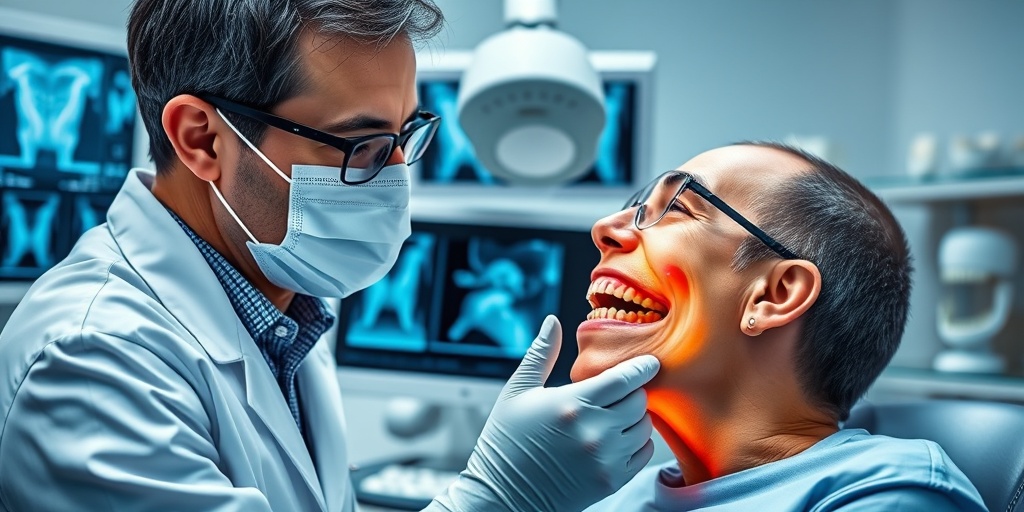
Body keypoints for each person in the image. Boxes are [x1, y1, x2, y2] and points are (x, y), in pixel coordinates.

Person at [0, 1, 661, 511]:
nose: (398, 179)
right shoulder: (92, 357)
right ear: (202, 139)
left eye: (407, 135)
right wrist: (496, 496)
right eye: (362, 146)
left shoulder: (280, 304)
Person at [575, 142, 986, 511]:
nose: (605, 228)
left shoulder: (886, 494)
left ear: (776, 295)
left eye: (677, 207)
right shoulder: (620, 497)